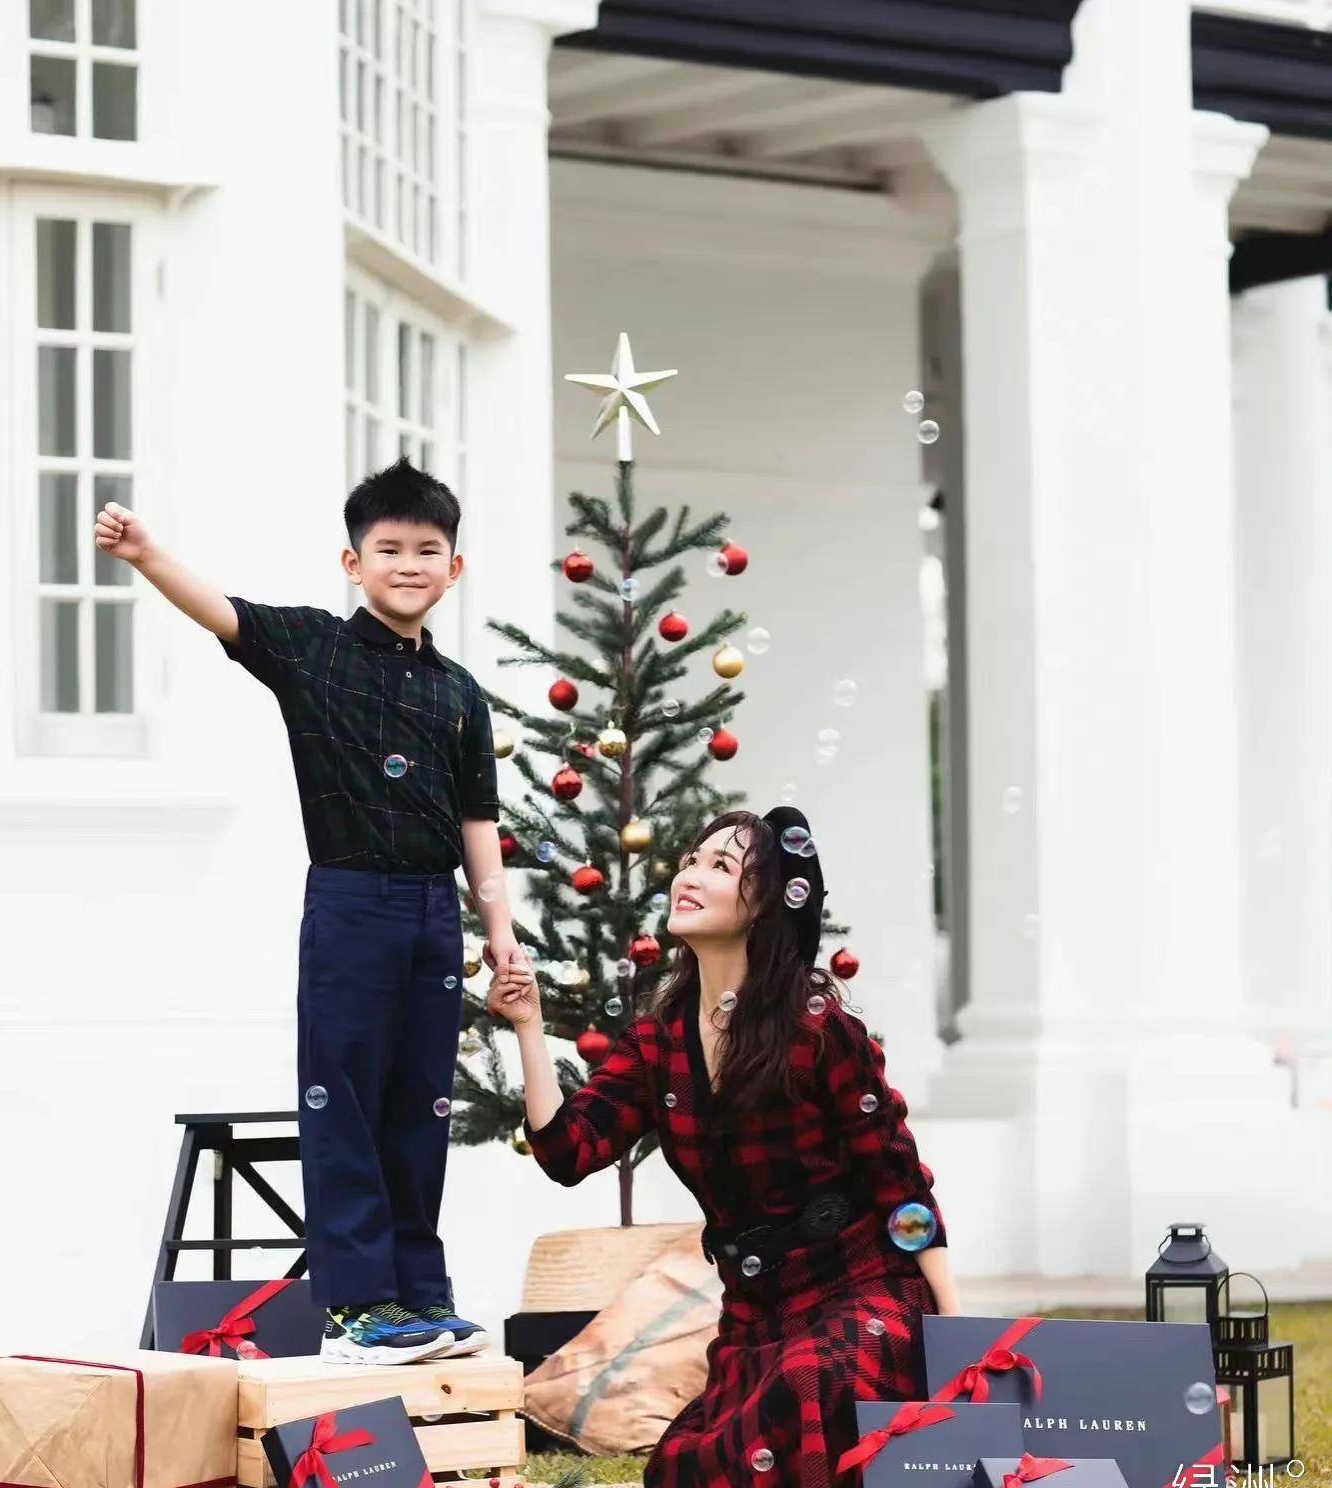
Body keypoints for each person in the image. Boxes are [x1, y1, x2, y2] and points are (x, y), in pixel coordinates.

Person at [95, 457, 522, 1366]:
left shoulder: (460, 696)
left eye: (427, 549)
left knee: (423, 1103)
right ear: (351, 560)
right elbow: (224, 611)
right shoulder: (315, 651)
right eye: (388, 548)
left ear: (456, 567)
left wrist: (500, 936)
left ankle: (419, 1294)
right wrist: (146, 554)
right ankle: (358, 1305)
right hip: (349, 903)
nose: (408, 564)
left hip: (433, 913)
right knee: (348, 1102)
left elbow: (478, 823)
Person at [488, 806, 960, 1487]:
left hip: (860, 1286)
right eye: (690, 860)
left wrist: (952, 1327)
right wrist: (529, 1026)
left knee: (809, 1386)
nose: (690, 875)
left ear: (765, 906)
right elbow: (568, 1153)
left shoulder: (817, 1028)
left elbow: (898, 1184)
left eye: (720, 866)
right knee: (684, 1466)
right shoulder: (659, 1043)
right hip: (756, 1308)